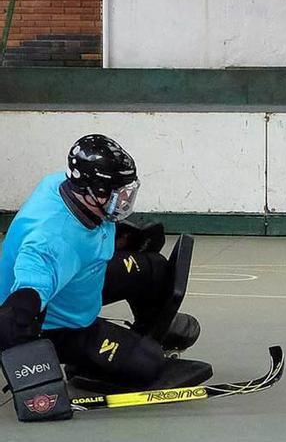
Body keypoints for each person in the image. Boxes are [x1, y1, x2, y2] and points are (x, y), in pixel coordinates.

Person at [0, 135, 207, 404]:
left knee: (155, 269)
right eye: (117, 193)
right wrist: (36, 383)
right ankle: (87, 362)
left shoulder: (62, 185)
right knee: (148, 364)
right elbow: (19, 306)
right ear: (92, 191)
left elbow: (77, 238)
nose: (123, 201)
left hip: (78, 280)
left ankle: (147, 332)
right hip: (57, 324)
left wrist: (119, 239)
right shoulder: (50, 244)